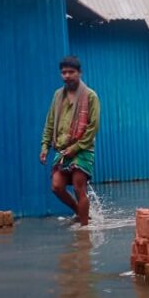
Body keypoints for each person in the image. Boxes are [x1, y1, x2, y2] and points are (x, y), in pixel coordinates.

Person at [40, 56, 100, 225]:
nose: (67, 75)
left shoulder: (90, 96)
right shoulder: (58, 95)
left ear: (79, 73)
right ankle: (80, 212)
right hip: (62, 149)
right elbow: (50, 122)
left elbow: (93, 126)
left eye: (71, 72)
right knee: (57, 187)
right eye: (64, 72)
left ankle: (84, 231)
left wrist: (77, 146)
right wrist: (44, 146)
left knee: (78, 188)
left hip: (82, 148)